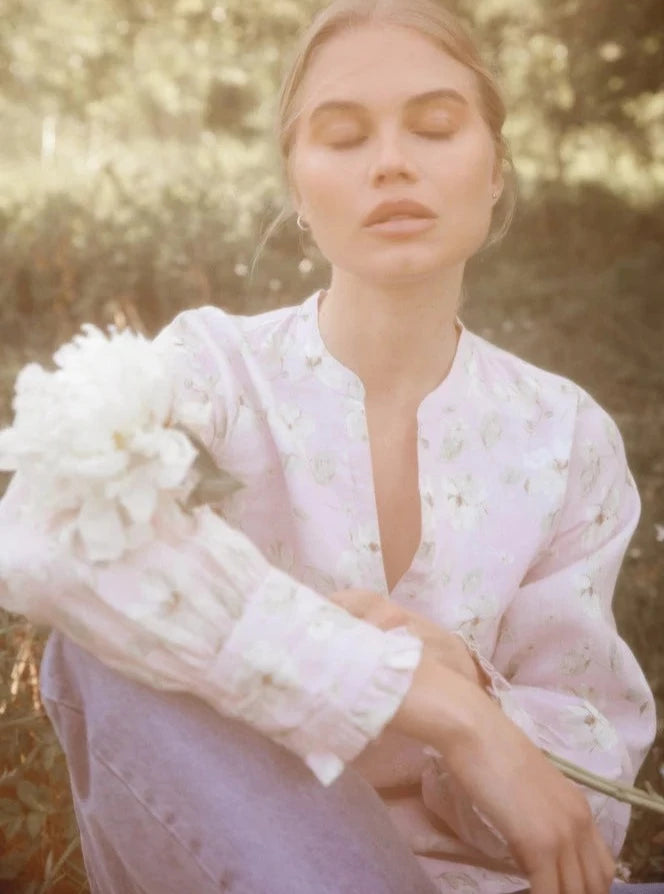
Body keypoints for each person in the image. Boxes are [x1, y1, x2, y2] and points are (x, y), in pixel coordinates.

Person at [0, 1, 661, 892]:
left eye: (435, 126)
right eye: (344, 137)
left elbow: (594, 796)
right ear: (297, 189)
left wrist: (476, 687)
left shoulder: (566, 435)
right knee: (106, 630)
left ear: (496, 169)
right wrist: (423, 700)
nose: (392, 162)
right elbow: (42, 535)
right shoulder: (211, 372)